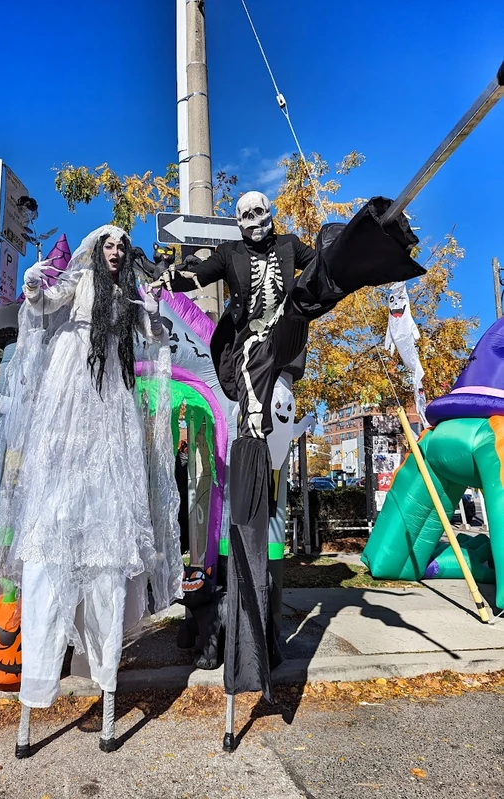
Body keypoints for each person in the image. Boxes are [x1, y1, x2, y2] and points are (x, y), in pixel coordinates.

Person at [150, 191, 425, 702]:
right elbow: (201, 272)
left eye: (259, 214)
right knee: (251, 412)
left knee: (294, 334)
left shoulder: (289, 246)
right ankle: (251, 470)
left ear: (271, 216)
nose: (254, 224)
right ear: (239, 223)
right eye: (245, 217)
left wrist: (352, 242)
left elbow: (319, 264)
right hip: (245, 350)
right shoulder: (230, 253)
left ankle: (263, 475)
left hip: (283, 343)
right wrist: (173, 276)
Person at [0, 224, 182, 710]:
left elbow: (151, 339)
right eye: (109, 244)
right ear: (96, 248)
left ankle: (103, 669)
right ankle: (41, 680)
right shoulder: (80, 281)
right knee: (61, 484)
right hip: (72, 384)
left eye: (122, 246)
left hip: (110, 393)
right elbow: (43, 304)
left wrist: (151, 317)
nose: (116, 251)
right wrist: (32, 283)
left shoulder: (127, 297)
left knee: (108, 495)